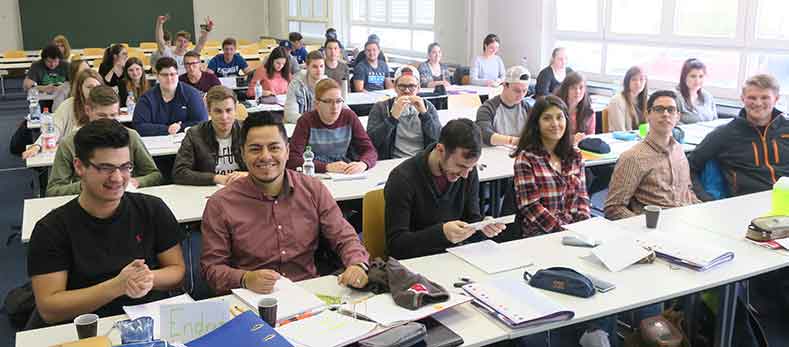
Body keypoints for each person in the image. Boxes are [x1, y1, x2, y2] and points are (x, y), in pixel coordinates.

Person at [28, 118, 184, 326]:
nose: (118, 178)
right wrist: (117, 286)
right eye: (106, 168)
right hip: (84, 326)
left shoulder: (152, 209)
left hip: (144, 318)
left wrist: (147, 279)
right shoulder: (52, 229)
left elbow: (177, 271)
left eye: (125, 167)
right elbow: (49, 308)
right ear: (79, 166)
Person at [200, 112, 371, 295]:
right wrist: (244, 279)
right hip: (252, 298)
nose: (265, 157)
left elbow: (344, 237)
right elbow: (212, 269)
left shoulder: (313, 189)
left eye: (274, 148)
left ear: (287, 151)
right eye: (255, 149)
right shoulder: (221, 204)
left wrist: (357, 264)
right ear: (242, 153)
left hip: (310, 293)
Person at [385, 119, 506, 259]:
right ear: (440, 150)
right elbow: (396, 246)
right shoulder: (403, 178)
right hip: (417, 263)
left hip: (455, 257)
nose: (465, 175)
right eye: (460, 166)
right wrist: (441, 234)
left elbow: (471, 220)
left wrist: (482, 227)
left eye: (471, 167)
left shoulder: (467, 172)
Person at [47, 86, 163, 196]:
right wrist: (86, 186)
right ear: (88, 110)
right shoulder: (70, 143)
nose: (108, 122)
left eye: (113, 115)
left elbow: (155, 175)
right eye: (102, 116)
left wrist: (136, 182)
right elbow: (53, 190)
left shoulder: (131, 137)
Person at [689, 74, 789, 200]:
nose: (758, 103)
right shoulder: (724, 134)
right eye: (752, 98)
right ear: (742, 99)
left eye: (765, 97)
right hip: (747, 204)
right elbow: (689, 167)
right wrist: (705, 199)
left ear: (776, 99)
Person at [605, 90, 701, 219]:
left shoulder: (679, 150)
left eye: (671, 110)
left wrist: (701, 211)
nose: (665, 114)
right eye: (659, 109)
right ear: (647, 115)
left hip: (686, 221)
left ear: (678, 116)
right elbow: (614, 208)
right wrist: (643, 226)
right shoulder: (633, 158)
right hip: (654, 227)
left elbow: (687, 191)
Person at [512, 95, 589, 235]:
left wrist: (584, 226)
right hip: (541, 234)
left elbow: (582, 197)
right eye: (547, 118)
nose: (555, 123)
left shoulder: (575, 155)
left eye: (560, 117)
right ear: (537, 124)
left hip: (575, 232)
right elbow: (530, 206)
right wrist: (563, 231)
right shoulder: (526, 159)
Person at [288, 78, 377, 173]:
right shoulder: (306, 121)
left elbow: (370, 150)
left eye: (338, 101)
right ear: (317, 104)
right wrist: (326, 167)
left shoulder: (349, 117)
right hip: (317, 175)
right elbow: (292, 160)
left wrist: (363, 164)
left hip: (344, 173)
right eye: (328, 101)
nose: (335, 107)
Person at [173, 86, 247, 186]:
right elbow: (179, 173)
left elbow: (271, 166)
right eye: (218, 111)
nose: (224, 117)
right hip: (209, 191)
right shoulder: (194, 134)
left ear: (235, 109)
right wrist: (216, 178)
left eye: (228, 110)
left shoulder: (248, 131)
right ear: (208, 111)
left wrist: (248, 175)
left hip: (243, 187)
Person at [23, 69, 104, 160]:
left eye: (97, 87)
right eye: (89, 87)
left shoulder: (105, 106)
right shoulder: (69, 105)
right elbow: (55, 128)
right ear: (80, 88)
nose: (94, 91)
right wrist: (38, 145)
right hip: (73, 154)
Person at [367, 65, 441, 160]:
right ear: (395, 87)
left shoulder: (428, 107)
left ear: (418, 88)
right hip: (392, 160)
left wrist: (425, 115)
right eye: (402, 86)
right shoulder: (381, 107)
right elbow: (371, 142)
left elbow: (438, 139)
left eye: (412, 86)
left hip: (422, 160)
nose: (406, 91)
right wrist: (392, 118)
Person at [133, 57, 209, 136]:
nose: (169, 79)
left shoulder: (192, 94)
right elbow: (138, 126)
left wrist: (180, 127)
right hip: (156, 143)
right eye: (165, 75)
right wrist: (167, 129)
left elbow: (202, 122)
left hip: (185, 141)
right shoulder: (147, 98)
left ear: (177, 74)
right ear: (157, 76)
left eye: (172, 74)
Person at [475, 66, 531, 146]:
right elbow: (485, 135)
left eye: (524, 91)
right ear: (505, 85)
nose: (521, 95)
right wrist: (515, 141)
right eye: (517, 90)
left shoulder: (527, 107)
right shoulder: (488, 108)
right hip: (496, 153)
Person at [284, 50, 326, 123]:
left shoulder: (328, 84)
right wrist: (313, 122)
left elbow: (342, 107)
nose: (319, 70)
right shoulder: (296, 84)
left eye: (321, 66)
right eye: (314, 67)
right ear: (307, 66)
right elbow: (290, 114)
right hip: (301, 126)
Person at [555, 72, 595, 144]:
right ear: (566, 89)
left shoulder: (588, 111)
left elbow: (591, 136)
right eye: (573, 88)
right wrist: (572, 139)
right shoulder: (555, 107)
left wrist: (583, 138)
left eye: (581, 87)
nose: (577, 91)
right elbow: (549, 137)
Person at [607, 66, 648, 131]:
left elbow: (644, 131)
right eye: (634, 79)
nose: (638, 83)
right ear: (627, 81)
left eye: (641, 79)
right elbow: (621, 131)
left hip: (639, 139)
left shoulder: (644, 101)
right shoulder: (617, 101)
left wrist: (644, 138)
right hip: (623, 140)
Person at [676, 58, 718, 124]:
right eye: (693, 76)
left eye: (701, 76)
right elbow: (672, 123)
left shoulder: (708, 96)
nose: (697, 81)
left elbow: (715, 121)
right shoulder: (675, 97)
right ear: (684, 77)